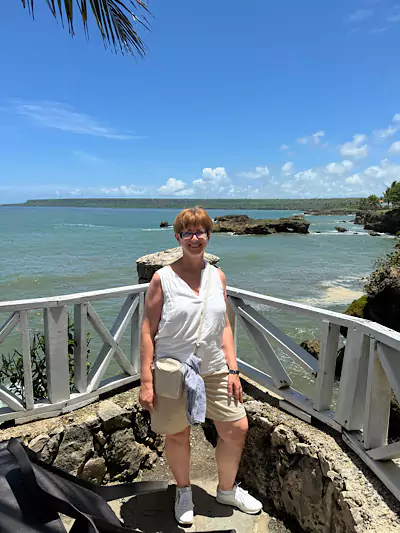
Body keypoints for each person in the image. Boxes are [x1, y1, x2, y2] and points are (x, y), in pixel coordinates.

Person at [139, 206, 262, 525]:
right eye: (188, 232)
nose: (195, 238)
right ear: (177, 237)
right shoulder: (162, 279)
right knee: (177, 434)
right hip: (173, 369)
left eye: (201, 232)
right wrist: (146, 381)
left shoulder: (217, 276)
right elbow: (147, 330)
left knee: (236, 427)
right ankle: (183, 491)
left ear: (209, 235)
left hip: (215, 368)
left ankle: (226, 490)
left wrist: (234, 369)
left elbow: (223, 326)